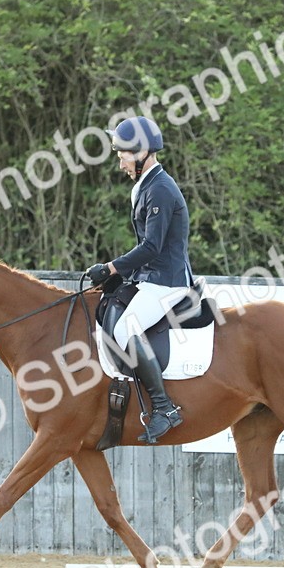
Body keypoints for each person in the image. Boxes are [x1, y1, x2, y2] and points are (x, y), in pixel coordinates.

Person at [85, 116, 193, 444]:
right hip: (151, 277)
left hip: (168, 281)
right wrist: (120, 276)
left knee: (126, 329)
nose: (121, 163)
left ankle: (164, 407)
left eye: (124, 156)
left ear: (143, 152)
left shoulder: (160, 189)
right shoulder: (144, 186)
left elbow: (152, 247)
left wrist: (112, 268)